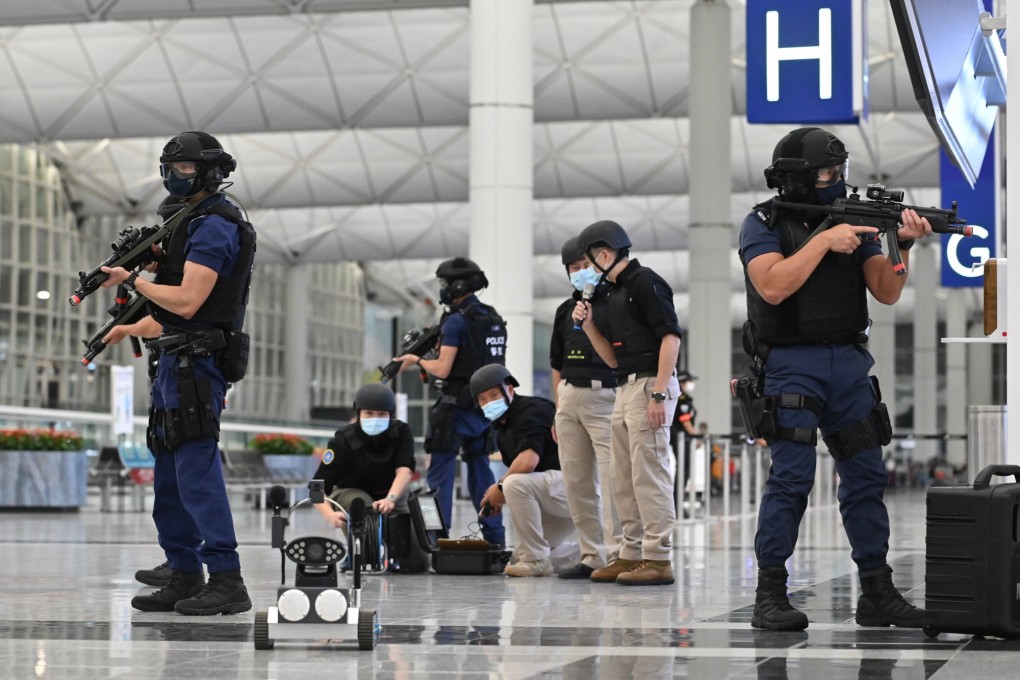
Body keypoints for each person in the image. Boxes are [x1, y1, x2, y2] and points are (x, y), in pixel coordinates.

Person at [739, 126, 929, 630]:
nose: (835, 180)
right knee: (792, 480)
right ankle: (769, 594)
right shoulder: (763, 222)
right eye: (826, 173)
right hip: (791, 364)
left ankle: (876, 592)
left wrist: (901, 245)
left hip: (848, 362)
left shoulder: (855, 216)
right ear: (796, 179)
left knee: (866, 478)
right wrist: (824, 240)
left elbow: (886, 291)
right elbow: (773, 286)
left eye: (840, 171)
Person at [101, 130, 255, 616]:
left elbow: (188, 301)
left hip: (198, 366)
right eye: (169, 168)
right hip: (173, 362)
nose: (174, 178)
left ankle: (226, 578)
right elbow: (169, 316)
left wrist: (134, 279)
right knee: (168, 474)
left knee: (195, 473)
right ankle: (184, 570)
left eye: (185, 169)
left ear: (211, 170)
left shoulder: (215, 225)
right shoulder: (189, 223)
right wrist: (124, 331)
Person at [572, 220, 682, 586]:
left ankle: (658, 556)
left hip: (651, 382)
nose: (586, 270)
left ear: (604, 254)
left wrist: (659, 393)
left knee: (649, 474)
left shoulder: (644, 283)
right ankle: (630, 552)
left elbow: (671, 339)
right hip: (624, 385)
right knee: (622, 477)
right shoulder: (612, 294)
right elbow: (613, 360)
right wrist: (588, 326)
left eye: (587, 261)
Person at [392, 257, 506, 547]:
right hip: (485, 407)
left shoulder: (456, 321)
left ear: (458, 284)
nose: (442, 289)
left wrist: (417, 360)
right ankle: (494, 538)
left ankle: (435, 541)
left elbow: (443, 369)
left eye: (444, 283)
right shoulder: (492, 318)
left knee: (440, 475)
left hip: (454, 408)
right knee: (481, 471)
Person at [549, 236, 622, 579]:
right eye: (573, 269)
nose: (580, 273)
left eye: (586, 266)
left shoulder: (613, 302)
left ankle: (619, 554)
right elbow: (555, 363)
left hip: (605, 395)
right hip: (569, 398)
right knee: (577, 482)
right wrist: (557, 406)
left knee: (612, 480)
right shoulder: (565, 310)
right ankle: (591, 555)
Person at [312, 383, 431, 573]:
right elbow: (317, 486)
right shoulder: (342, 440)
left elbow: (405, 470)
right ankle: (360, 552)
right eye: (369, 413)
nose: (375, 419)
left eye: (381, 414)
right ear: (358, 413)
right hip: (352, 494)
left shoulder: (401, 432)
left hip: (392, 493)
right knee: (362, 509)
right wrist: (330, 515)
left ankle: (395, 552)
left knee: (418, 563)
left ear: (390, 415)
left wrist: (391, 499)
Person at [472, 365, 575, 577]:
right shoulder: (501, 430)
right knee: (519, 557)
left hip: (574, 488)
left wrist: (499, 488)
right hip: (555, 496)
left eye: (494, 395)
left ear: (510, 389)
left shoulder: (532, 410)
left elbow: (529, 461)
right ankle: (602, 555)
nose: (489, 403)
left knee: (513, 483)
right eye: (482, 399)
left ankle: (535, 560)